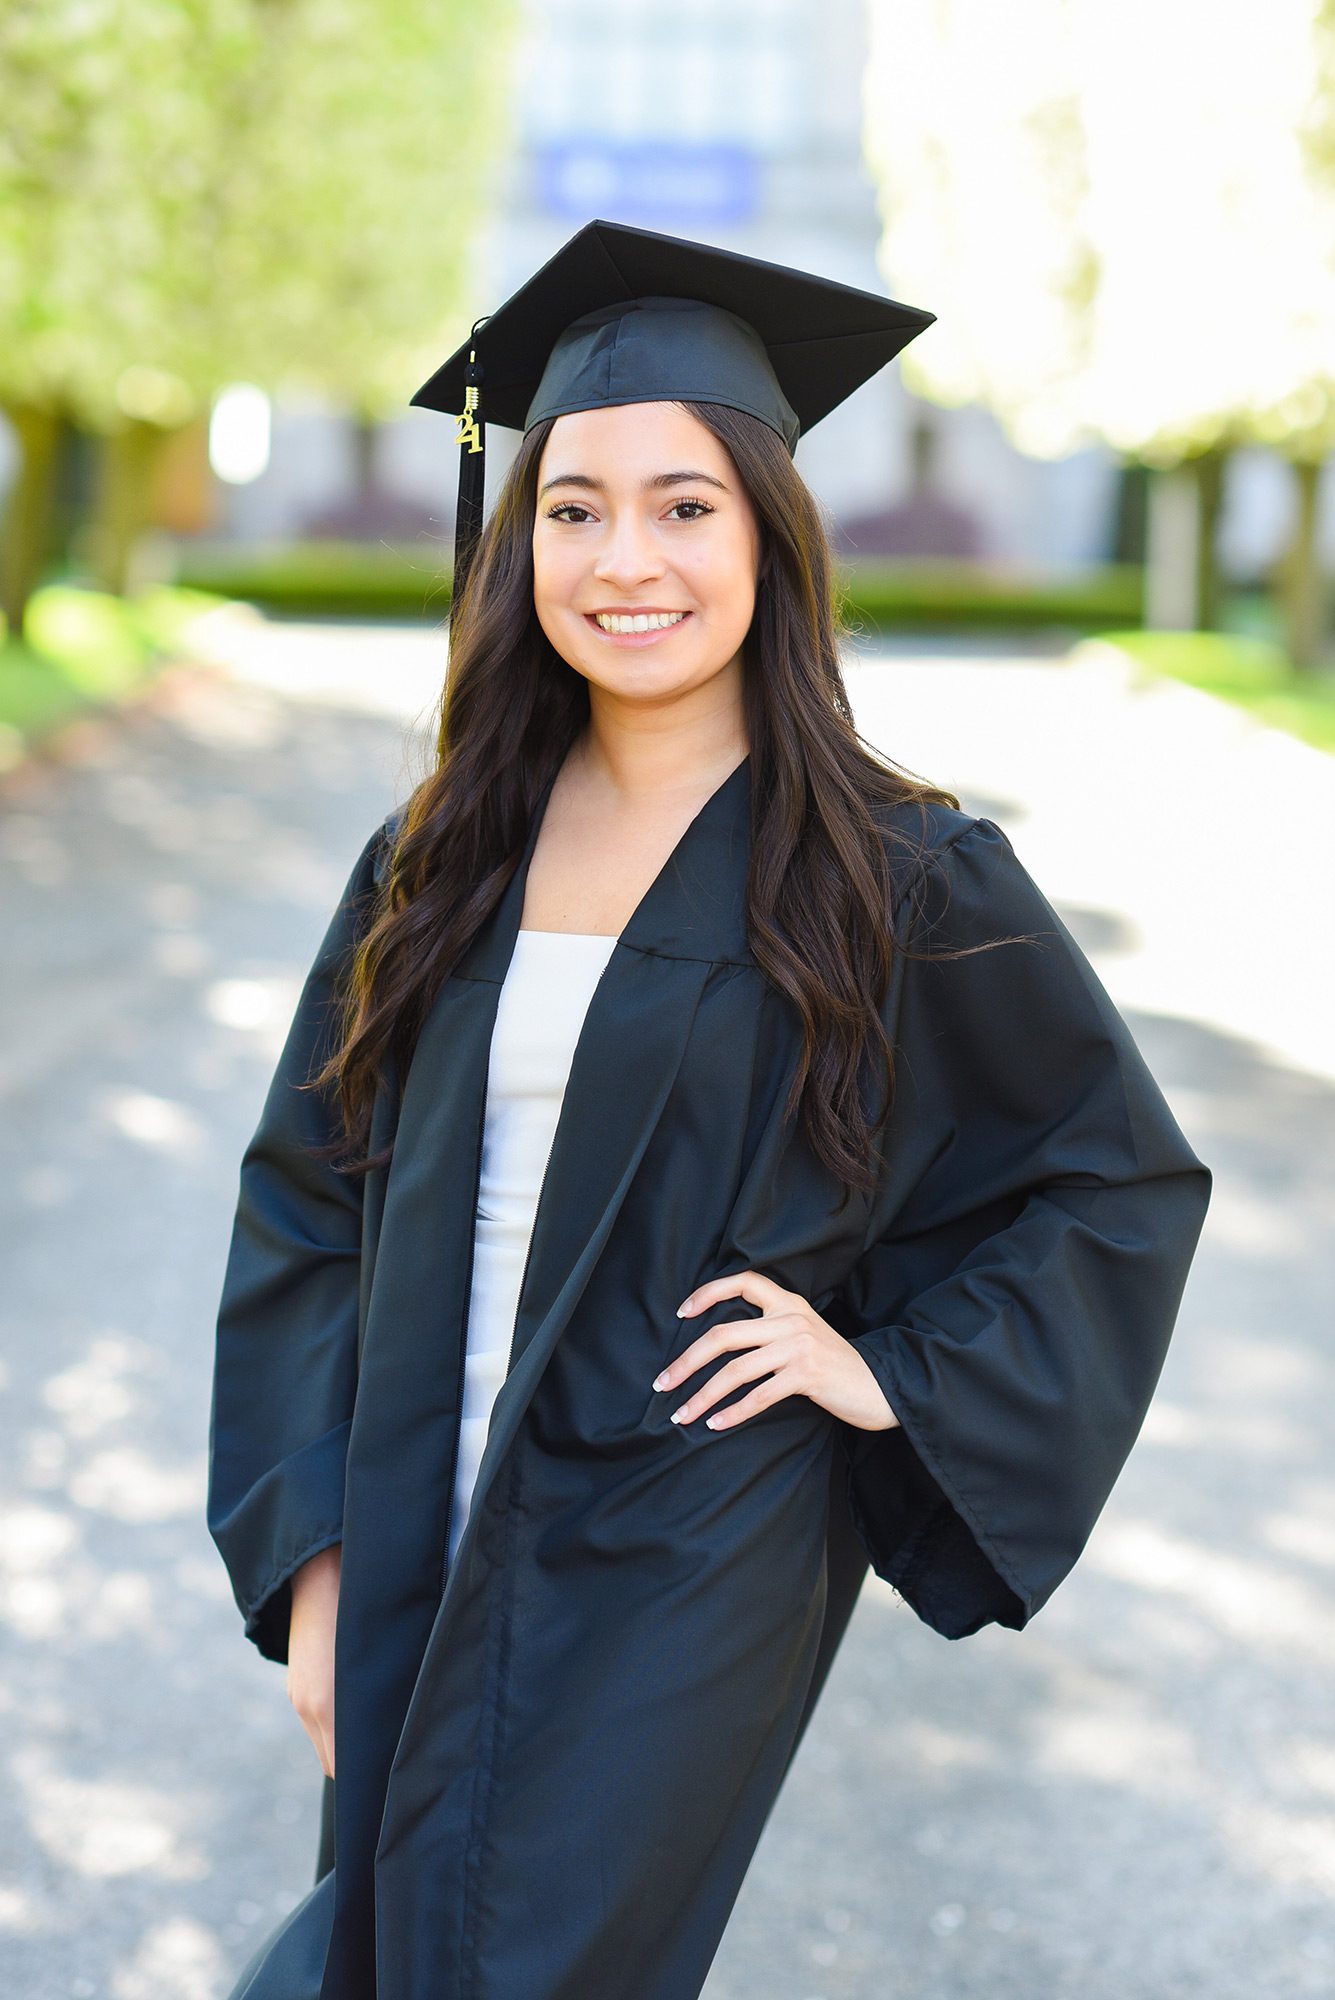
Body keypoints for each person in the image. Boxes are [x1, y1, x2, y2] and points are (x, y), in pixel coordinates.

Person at [207, 219, 1212, 2000]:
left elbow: (1109, 1178)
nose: (625, 559)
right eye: (574, 508)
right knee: (381, 1939)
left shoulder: (901, 869)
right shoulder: (441, 856)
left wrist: (884, 1368)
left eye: (686, 505)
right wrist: (311, 1550)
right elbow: (311, 1189)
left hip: (682, 1524)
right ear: (521, 548)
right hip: (413, 1481)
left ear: (769, 534)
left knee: (536, 1956)